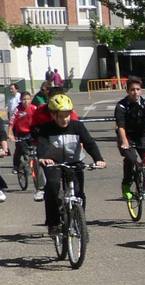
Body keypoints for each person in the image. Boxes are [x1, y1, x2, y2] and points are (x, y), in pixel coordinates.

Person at [35, 93, 105, 233]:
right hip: (53, 163)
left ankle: (79, 220)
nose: (64, 119)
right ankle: (53, 223)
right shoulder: (46, 129)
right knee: (53, 188)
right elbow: (41, 145)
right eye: (60, 116)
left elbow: (89, 143)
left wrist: (99, 159)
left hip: (74, 162)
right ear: (53, 115)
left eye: (67, 115)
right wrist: (43, 158)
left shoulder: (77, 126)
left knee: (79, 193)